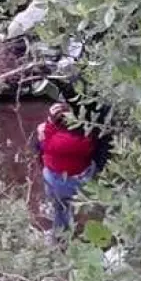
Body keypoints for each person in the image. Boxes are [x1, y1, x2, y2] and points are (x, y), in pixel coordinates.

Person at [35, 101, 98, 242]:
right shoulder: (85, 135)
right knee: (61, 197)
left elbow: (42, 144)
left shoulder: (55, 141)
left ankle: (60, 236)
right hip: (80, 173)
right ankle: (57, 207)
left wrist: (48, 123)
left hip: (61, 180)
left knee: (61, 206)